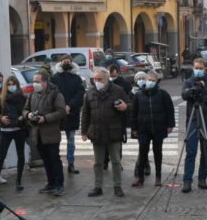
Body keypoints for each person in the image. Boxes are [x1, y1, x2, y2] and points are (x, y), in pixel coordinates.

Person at [81, 67, 130, 198]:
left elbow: (131, 105)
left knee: (116, 161)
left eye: (99, 79)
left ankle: (117, 186)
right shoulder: (90, 92)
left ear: (107, 79)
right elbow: (85, 113)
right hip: (96, 132)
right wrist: (84, 131)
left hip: (114, 132)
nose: (96, 81)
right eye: (94, 79)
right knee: (98, 162)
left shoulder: (118, 90)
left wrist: (125, 106)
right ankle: (98, 187)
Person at [24, 71, 66, 197]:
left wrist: (45, 118)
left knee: (54, 159)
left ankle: (59, 185)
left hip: (51, 133)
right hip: (37, 133)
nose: (34, 83)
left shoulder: (55, 94)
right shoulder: (32, 95)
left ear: (45, 82)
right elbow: (25, 109)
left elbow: (61, 111)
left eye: (37, 81)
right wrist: (28, 114)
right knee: (46, 160)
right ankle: (51, 183)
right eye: (34, 81)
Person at [130, 71, 175, 187]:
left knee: (157, 153)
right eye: (148, 80)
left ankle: (158, 177)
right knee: (143, 152)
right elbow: (133, 113)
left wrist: (170, 125)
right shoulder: (138, 95)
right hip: (143, 129)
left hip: (159, 128)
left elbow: (170, 110)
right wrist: (134, 127)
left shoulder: (163, 94)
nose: (150, 82)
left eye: (153, 80)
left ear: (157, 82)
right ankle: (140, 177)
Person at [181, 58, 207, 193]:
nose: (198, 70)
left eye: (201, 68)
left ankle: (202, 178)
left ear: (205, 68)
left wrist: (201, 90)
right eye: (196, 67)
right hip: (192, 119)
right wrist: (193, 90)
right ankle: (187, 181)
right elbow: (184, 95)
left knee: (206, 151)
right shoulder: (188, 82)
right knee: (191, 151)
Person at [51, 54, 85, 174]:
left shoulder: (76, 78)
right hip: (58, 114)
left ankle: (71, 164)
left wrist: (70, 105)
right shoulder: (54, 78)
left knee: (71, 141)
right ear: (60, 63)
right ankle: (55, 163)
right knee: (55, 140)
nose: (66, 63)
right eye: (64, 61)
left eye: (68, 61)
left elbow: (80, 94)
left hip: (72, 113)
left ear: (71, 63)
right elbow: (52, 94)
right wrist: (61, 107)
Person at [0, 75, 27, 191]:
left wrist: (22, 117)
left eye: (13, 84)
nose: (11, 87)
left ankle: (19, 181)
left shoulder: (22, 97)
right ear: (6, 86)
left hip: (18, 129)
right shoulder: (0, 98)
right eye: (9, 84)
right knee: (0, 156)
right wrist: (1, 118)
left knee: (20, 155)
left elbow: (26, 111)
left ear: (17, 85)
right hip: (5, 131)